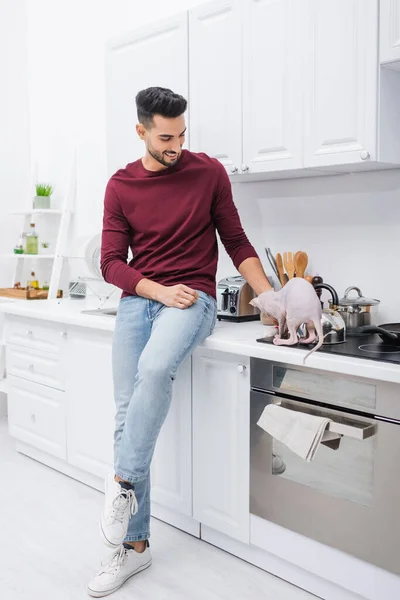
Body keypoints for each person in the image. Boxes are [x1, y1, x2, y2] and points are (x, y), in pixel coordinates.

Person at [87, 86, 273, 597]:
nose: (177, 144)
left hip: (194, 299)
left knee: (152, 371)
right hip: (141, 300)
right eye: (166, 136)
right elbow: (111, 263)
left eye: (182, 133)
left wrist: (270, 298)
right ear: (141, 130)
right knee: (126, 416)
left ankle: (121, 487)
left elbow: (235, 241)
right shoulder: (120, 185)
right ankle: (136, 549)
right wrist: (153, 291)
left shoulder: (207, 172)